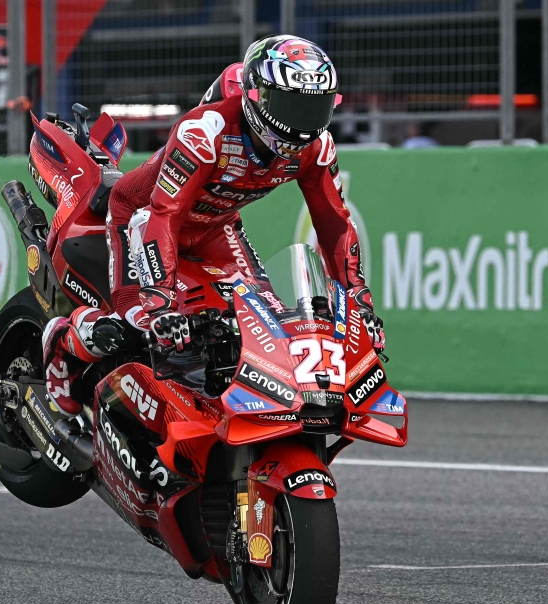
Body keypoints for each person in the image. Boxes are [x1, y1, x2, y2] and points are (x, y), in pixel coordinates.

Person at [42, 35, 386, 417]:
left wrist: (358, 301)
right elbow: (164, 216)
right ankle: (64, 340)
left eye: (314, 108)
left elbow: (334, 225)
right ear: (256, 95)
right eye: (290, 105)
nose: (302, 124)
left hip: (216, 227)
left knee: (267, 327)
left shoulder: (316, 147)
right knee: (137, 324)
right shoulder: (205, 132)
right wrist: (159, 302)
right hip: (140, 216)